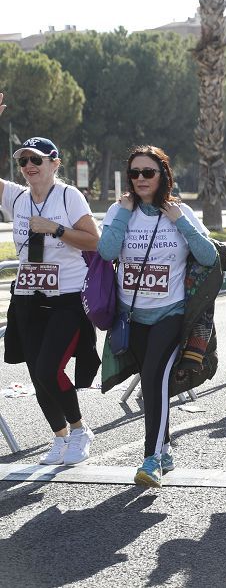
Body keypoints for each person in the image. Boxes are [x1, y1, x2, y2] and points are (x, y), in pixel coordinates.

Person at [98, 146, 219, 487]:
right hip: (132, 315)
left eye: (147, 172)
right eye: (134, 173)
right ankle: (164, 449)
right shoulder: (118, 210)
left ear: (163, 175)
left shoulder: (179, 211)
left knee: (153, 380)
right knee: (154, 384)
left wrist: (179, 220)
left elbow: (209, 257)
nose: (140, 179)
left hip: (171, 314)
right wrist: (122, 214)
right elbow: (106, 252)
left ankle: (151, 459)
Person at [1, 134, 100, 466]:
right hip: (28, 298)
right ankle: (59, 437)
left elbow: (93, 242)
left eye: (36, 160)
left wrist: (55, 229)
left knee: (48, 368)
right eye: (23, 161)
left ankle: (80, 429)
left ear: (54, 164)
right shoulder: (16, 198)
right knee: (35, 372)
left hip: (67, 299)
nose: (29, 166)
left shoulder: (69, 197)